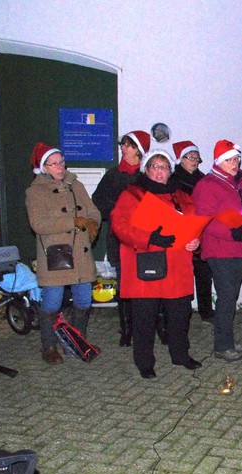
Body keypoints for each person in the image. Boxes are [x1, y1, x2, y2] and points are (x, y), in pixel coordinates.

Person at [111, 150, 202, 379]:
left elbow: (194, 225)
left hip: (177, 266)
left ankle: (180, 354)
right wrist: (149, 237)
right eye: (155, 167)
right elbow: (120, 226)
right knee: (144, 317)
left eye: (164, 167)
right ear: (146, 169)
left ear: (170, 171)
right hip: (146, 263)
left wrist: (195, 241)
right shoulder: (132, 195)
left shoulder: (182, 196)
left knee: (180, 314)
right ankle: (144, 362)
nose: (160, 172)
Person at [26, 142, 101, 365]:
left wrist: (93, 224)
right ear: (43, 167)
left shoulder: (74, 184)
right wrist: (72, 221)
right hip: (57, 255)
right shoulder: (35, 191)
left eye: (62, 162)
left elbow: (92, 210)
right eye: (54, 163)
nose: (60, 167)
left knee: (84, 300)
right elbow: (38, 223)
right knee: (52, 302)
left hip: (81, 253)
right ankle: (48, 346)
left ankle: (78, 342)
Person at [194, 140, 242, 362]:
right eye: (229, 160)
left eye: (236, 159)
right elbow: (207, 220)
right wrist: (232, 233)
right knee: (226, 296)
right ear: (218, 162)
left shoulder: (239, 182)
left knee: (231, 295)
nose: (234, 163)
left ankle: (228, 339)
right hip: (220, 248)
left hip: (239, 247)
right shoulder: (207, 185)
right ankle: (222, 345)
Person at [92, 130, 151, 347]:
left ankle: (148, 326)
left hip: (143, 239)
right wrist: (118, 211)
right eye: (123, 144)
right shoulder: (113, 175)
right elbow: (97, 202)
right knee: (124, 283)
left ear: (139, 150)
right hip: (118, 237)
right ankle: (126, 329)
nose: (123, 148)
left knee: (146, 283)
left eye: (128, 145)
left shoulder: (147, 176)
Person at [171, 140, 214, 323]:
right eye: (191, 157)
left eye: (197, 157)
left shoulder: (204, 179)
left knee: (204, 274)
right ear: (181, 159)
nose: (194, 161)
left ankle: (206, 310)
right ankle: (183, 310)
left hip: (202, 232)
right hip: (182, 232)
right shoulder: (173, 180)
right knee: (183, 275)